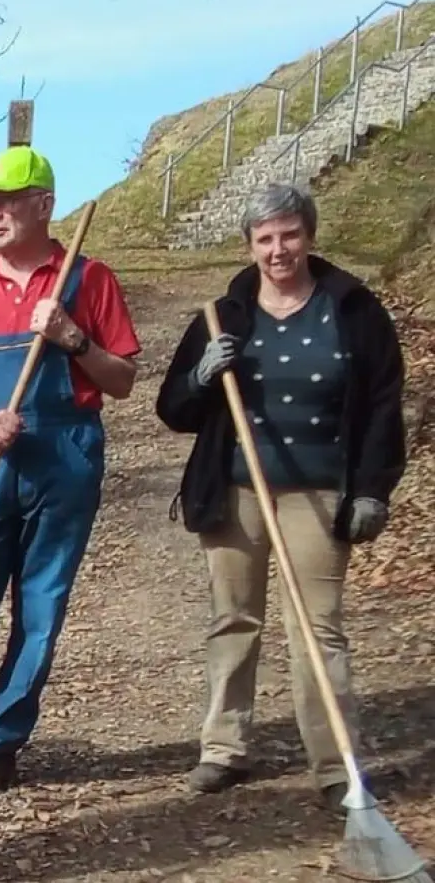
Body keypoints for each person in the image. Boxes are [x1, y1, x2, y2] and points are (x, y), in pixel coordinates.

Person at [154, 182, 405, 813]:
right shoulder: (223, 316)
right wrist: (202, 374)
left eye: (289, 234)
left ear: (309, 236)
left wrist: (374, 488)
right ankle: (223, 746)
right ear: (249, 246)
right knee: (233, 620)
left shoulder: (353, 310)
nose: (278, 249)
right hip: (237, 488)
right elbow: (174, 410)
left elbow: (382, 407)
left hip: (319, 492)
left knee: (318, 628)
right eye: (264, 238)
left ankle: (335, 761)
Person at [0, 145, 142, 800]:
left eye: (7, 200)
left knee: (38, 608)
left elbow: (122, 379)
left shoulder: (88, 280)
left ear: (43, 205)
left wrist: (73, 337)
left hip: (64, 458)